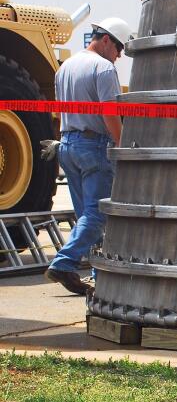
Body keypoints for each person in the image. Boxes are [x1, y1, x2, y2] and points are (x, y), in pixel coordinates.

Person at [44, 17, 134, 295]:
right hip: (93, 147)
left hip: (68, 146)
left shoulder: (65, 67)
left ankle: (98, 273)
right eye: (119, 48)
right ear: (106, 40)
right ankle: (64, 263)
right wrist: (122, 145)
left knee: (86, 214)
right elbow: (110, 112)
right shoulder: (103, 68)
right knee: (97, 215)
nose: (119, 56)